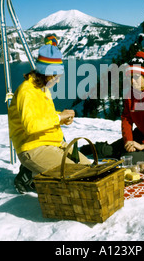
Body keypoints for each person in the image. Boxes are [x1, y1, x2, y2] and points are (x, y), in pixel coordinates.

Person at [9, 34, 91, 193]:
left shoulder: (42, 89)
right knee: (77, 177)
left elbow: (44, 116)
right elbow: (31, 126)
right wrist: (58, 117)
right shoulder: (27, 92)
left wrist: (61, 118)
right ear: (47, 73)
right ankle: (29, 177)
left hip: (54, 143)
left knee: (88, 169)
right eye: (56, 76)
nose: (58, 81)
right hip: (32, 147)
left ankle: (32, 171)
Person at [80, 51, 144, 164]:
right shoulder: (130, 94)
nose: (132, 81)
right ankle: (80, 150)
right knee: (108, 150)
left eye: (136, 77)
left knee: (128, 158)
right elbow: (126, 119)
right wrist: (128, 141)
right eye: (130, 77)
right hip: (141, 135)